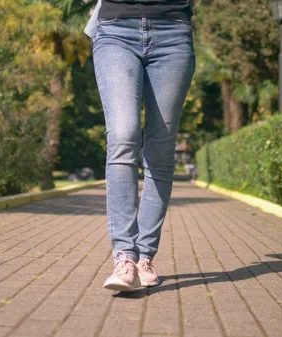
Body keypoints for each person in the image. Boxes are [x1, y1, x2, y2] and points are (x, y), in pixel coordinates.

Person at [86, 0, 195, 292]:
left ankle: (145, 256)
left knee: (160, 151)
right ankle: (124, 257)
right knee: (123, 135)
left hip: (173, 31)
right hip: (116, 28)